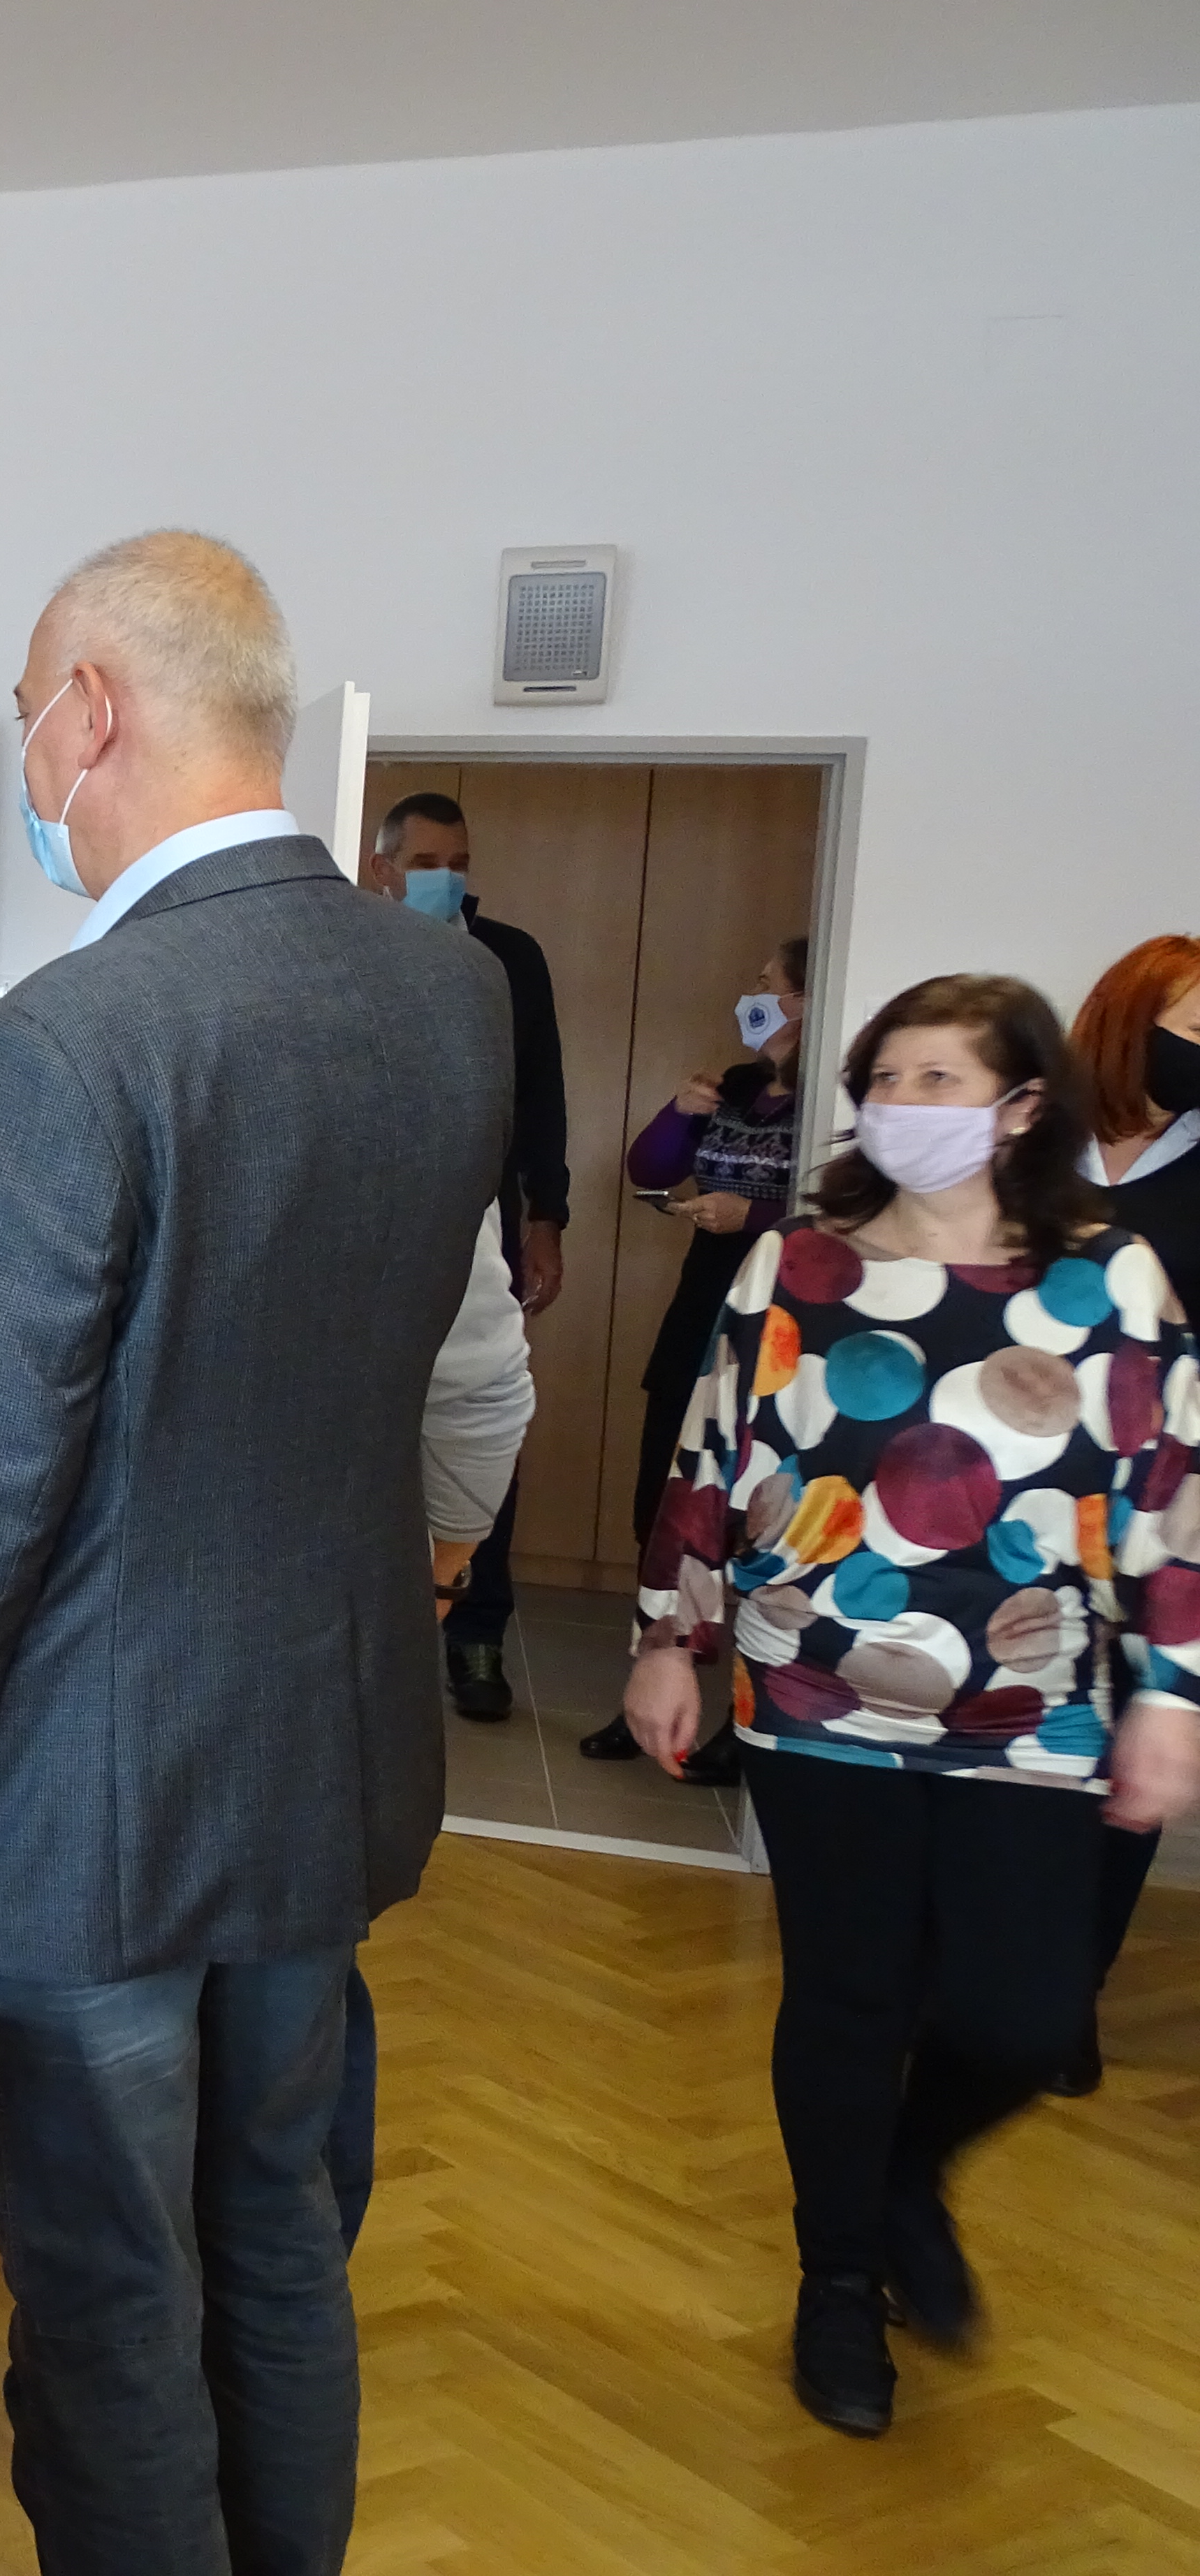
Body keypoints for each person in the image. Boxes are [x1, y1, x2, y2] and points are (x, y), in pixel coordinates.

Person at [0, 532, 511, 2573]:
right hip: (324, 1762)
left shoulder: (71, 1040)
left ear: (91, 710)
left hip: (91, 1813)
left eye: (28, 706)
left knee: (113, 2300)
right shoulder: (449, 997)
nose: (29, 751)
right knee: (276, 2236)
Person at [622, 974, 1200, 2440]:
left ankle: (903, 2174)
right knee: (847, 1995)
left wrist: (1171, 1692)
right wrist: (668, 1638)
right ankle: (835, 2280)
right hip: (815, 1685)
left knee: (1021, 2014)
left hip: (1035, 1701)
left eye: (940, 1078)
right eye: (885, 1076)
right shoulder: (798, 1264)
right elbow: (710, 1454)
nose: (902, 1102)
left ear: (1021, 1106)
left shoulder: (1110, 1277)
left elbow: (1167, 1496)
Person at [333, 1206, 539, 2253]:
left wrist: (445, 1577)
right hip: (325, 1644)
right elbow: (482, 1390)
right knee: (293, 2017)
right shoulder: (420, 1118)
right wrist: (442, 1573)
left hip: (120, 1670)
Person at [578, 933, 810, 1778]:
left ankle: (749, 1718)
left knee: (763, 1521)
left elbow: (837, 1209)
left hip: (783, 1326)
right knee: (667, 1505)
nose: (754, 999)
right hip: (700, 1314)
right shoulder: (738, 1088)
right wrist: (680, 1113)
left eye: (770, 986)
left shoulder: (828, 1097)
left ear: (806, 1001)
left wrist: (753, 1218)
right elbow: (648, 1171)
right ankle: (651, 1689)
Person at [365, 793, 569, 1724]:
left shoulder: (507, 959)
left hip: (480, 1215)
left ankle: (474, 1627)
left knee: (481, 1405)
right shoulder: (354, 951)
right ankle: (379, 1621)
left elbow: (542, 1095)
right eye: (427, 862)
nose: (446, 877)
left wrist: (547, 1217)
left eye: (459, 860)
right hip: (369, 1217)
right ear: (384, 869)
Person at [1058, 933, 1200, 2091]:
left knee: (1127, 1750)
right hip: (1017, 1496)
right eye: (1194, 1027)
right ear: (1125, 1019)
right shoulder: (1024, 1139)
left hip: (1165, 1505)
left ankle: (1068, 1993)